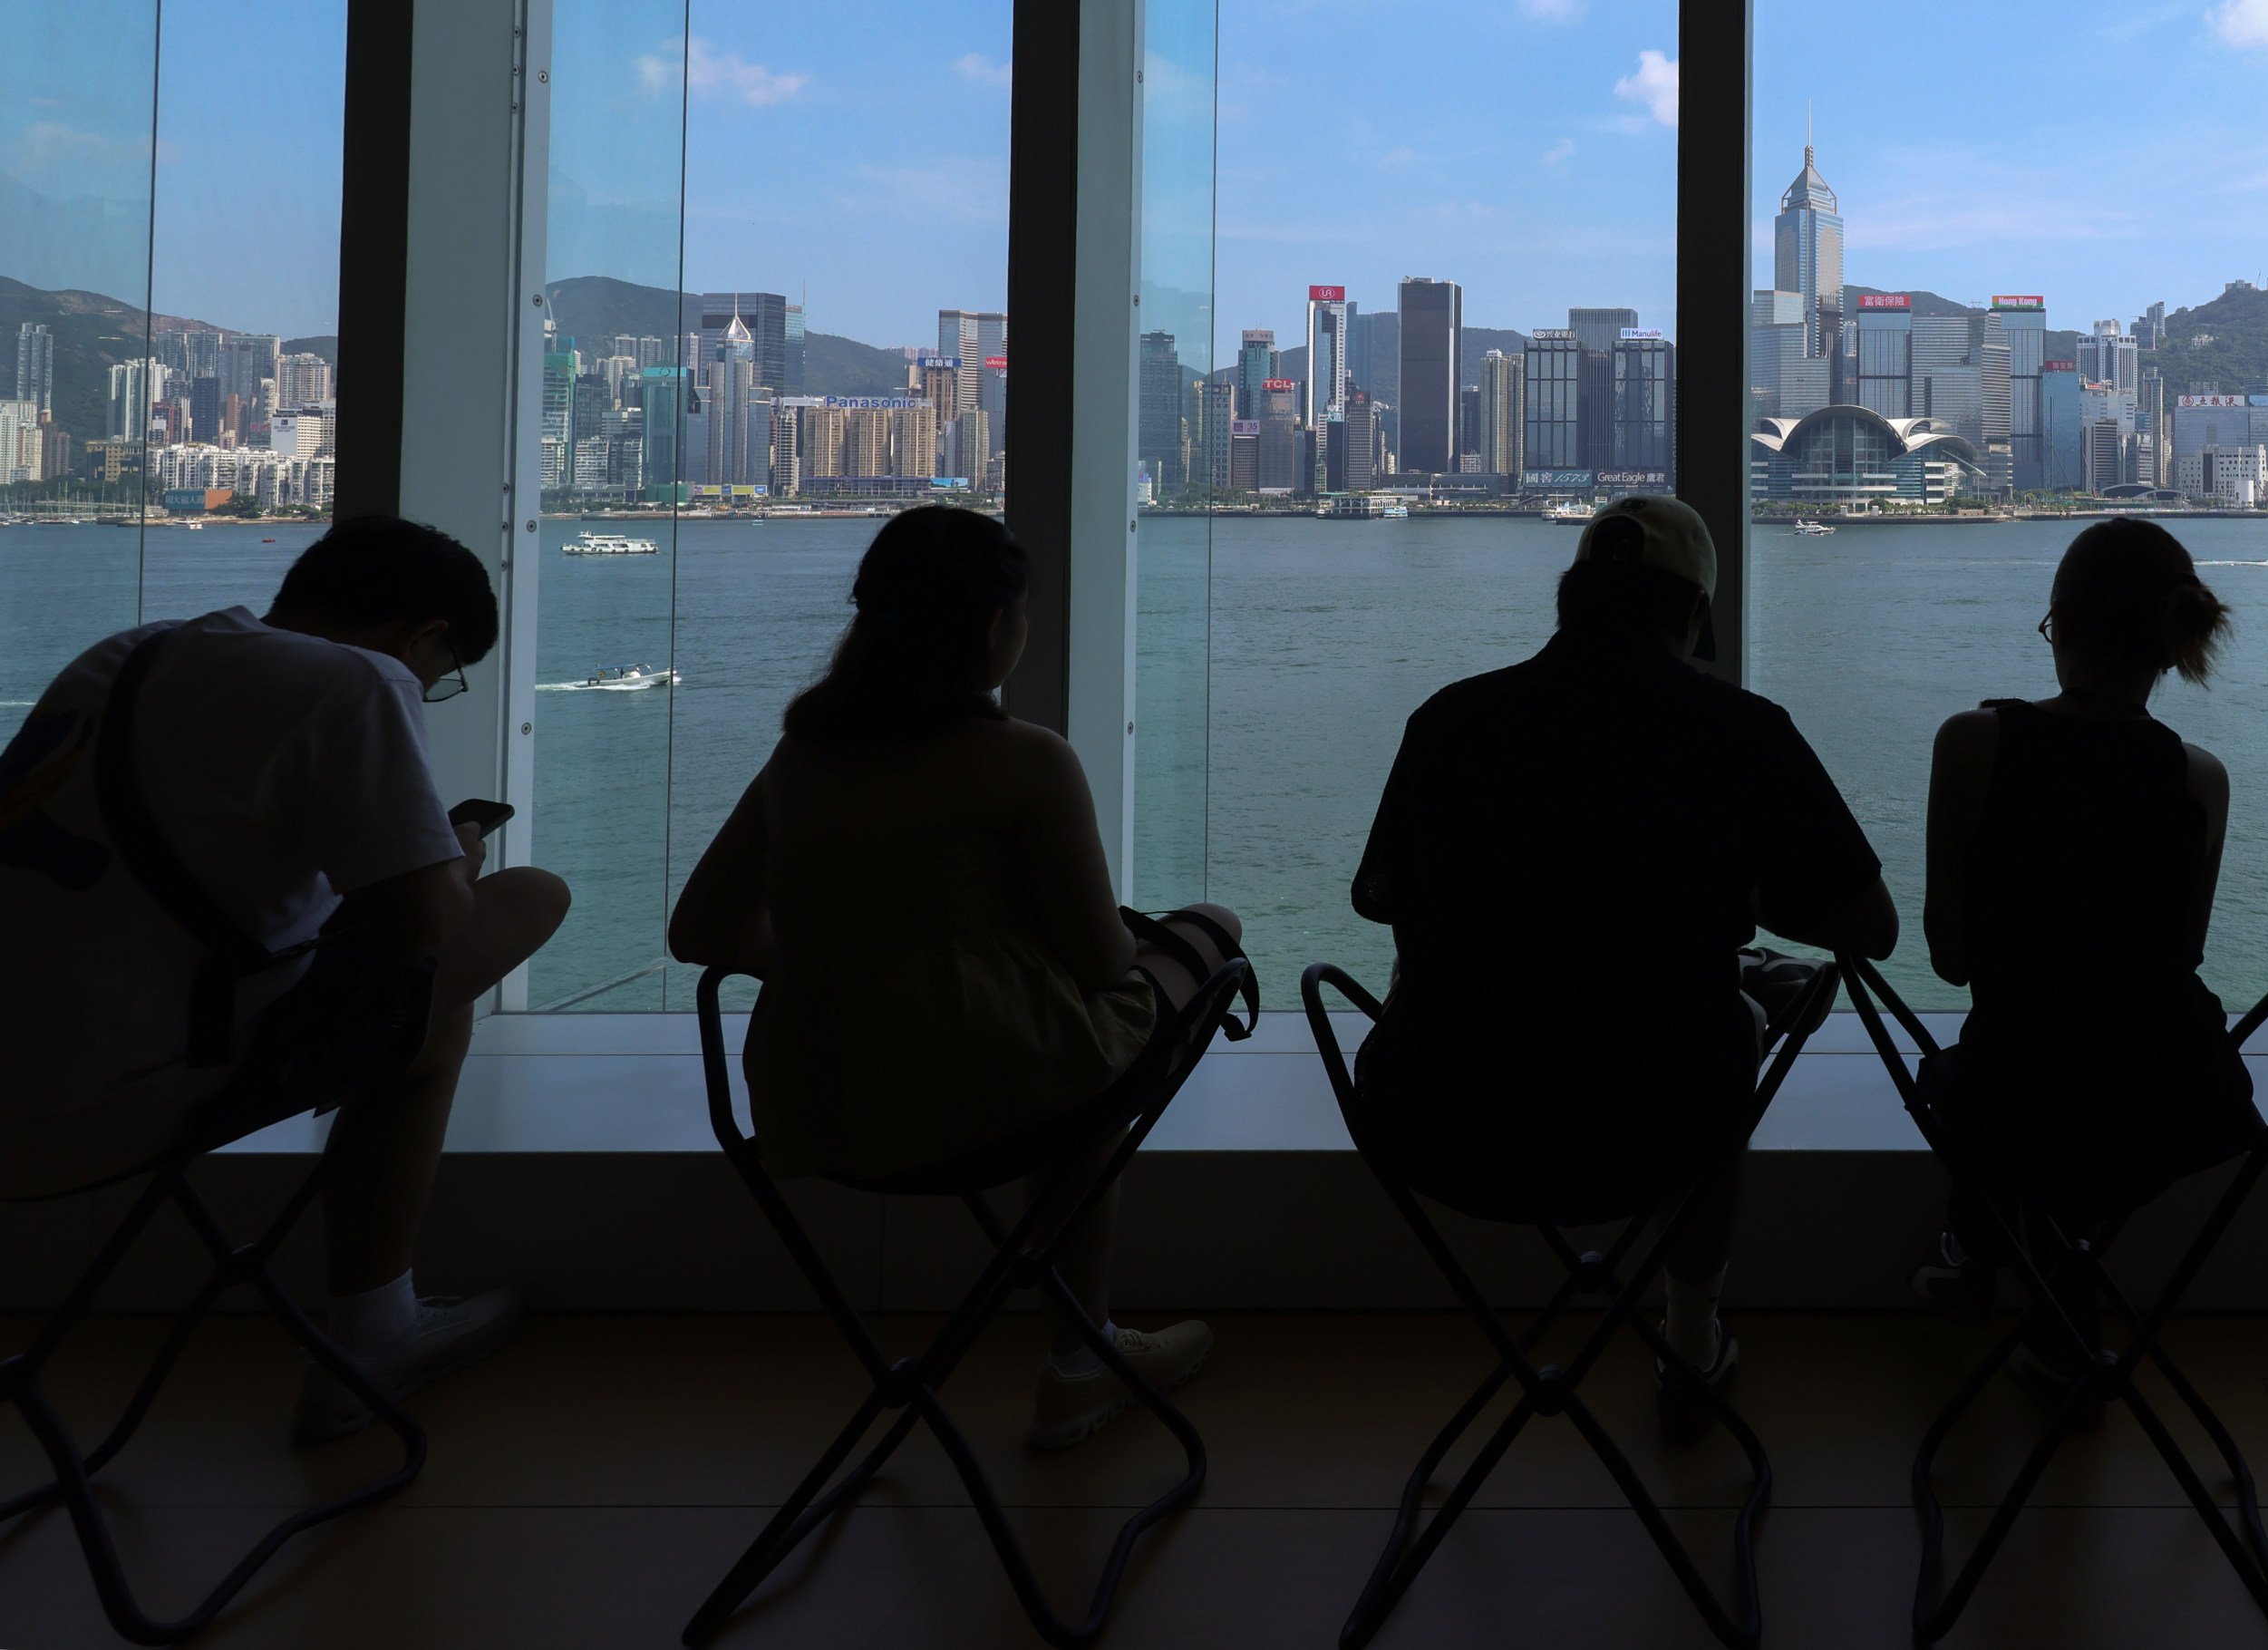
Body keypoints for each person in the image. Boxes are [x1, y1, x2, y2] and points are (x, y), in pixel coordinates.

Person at [669, 505, 1249, 1454]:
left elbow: (700, 929)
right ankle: (1081, 1352)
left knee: (1075, 1066)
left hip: (824, 1105)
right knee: (1202, 940)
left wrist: (853, 959)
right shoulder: (1026, 761)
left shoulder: (802, 754)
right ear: (995, 624)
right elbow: (1104, 964)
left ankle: (1085, 1352)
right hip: (995, 1096)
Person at [0, 515, 572, 1444]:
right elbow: (417, 925)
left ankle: (379, 1319)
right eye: (445, 671)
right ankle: (376, 1327)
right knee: (521, 905)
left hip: (23, 1070)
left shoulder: (133, 652)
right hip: (96, 1104)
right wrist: (455, 856)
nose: (431, 689)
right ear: (422, 639)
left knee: (410, 995)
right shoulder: (362, 679)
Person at [1350, 494, 1895, 1440]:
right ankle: (1690, 1342)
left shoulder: (1449, 717)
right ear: (1693, 614)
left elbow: (1377, 895)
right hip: (1653, 1123)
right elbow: (1871, 926)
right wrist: (1726, 898)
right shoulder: (1743, 727)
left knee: (1708, 1010)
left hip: (1438, 1112)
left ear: (1567, 601)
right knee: (1727, 1025)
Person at [1906, 518, 2261, 1345]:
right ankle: (2058, 1296)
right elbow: (2184, 955)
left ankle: (1981, 1254)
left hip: (2019, 1084)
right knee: (2071, 1107)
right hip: (2174, 1092)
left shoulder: (1973, 744)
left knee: (1974, 1085)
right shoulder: (2198, 777)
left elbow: (1951, 961)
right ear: (2172, 647)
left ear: (2059, 626)